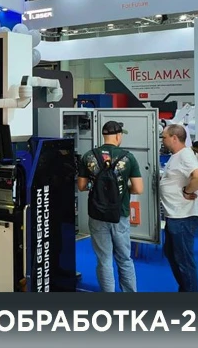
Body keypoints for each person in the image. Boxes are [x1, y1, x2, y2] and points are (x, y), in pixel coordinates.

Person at [77, 121, 144, 292]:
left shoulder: (89, 156)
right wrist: (122, 189)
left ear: (104, 135)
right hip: (120, 213)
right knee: (124, 258)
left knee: (104, 259)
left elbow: (82, 186)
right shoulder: (128, 157)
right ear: (118, 136)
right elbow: (138, 188)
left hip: (97, 214)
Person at [160, 124, 198, 292]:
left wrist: (187, 191)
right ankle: (185, 289)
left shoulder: (185, 155)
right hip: (175, 216)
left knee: (184, 260)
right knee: (172, 253)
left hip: (183, 217)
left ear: (174, 138)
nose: (162, 140)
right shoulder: (177, 156)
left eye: (164, 137)